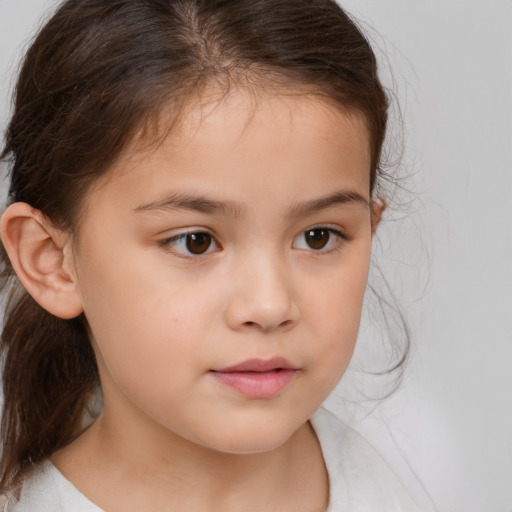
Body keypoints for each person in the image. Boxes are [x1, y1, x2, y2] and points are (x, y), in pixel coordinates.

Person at [0, 0, 420, 510]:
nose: (269, 306)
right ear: (51, 260)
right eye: (195, 241)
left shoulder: (385, 484)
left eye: (318, 236)